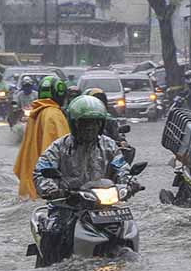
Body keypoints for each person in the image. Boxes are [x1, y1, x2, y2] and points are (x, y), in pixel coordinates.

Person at [32, 96, 135, 261]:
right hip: (67, 205)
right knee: (55, 233)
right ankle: (53, 270)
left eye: (94, 123)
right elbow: (40, 171)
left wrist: (130, 182)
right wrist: (52, 189)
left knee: (127, 225)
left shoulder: (109, 145)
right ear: (74, 124)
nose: (90, 128)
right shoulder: (59, 147)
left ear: (100, 125)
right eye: (85, 123)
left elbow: (121, 167)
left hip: (102, 205)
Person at [14, 75, 71, 198]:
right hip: (47, 187)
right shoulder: (54, 115)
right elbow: (59, 149)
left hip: (35, 184)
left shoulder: (37, 112)